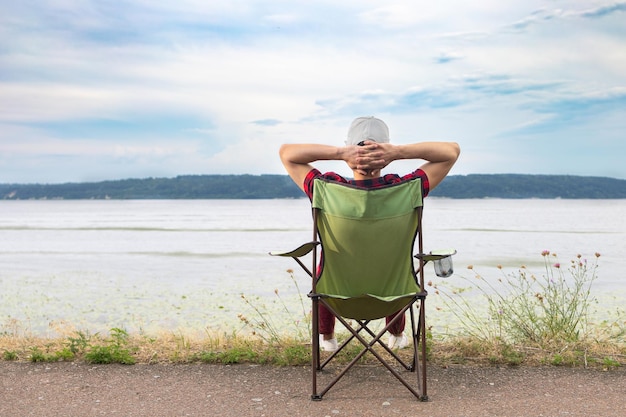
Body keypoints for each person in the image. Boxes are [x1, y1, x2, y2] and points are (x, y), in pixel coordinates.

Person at [279, 116, 460, 351]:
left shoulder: (325, 189)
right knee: (393, 266)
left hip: (335, 298)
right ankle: (395, 334)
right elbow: (451, 152)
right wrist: (398, 152)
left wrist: (340, 153)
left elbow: (286, 153)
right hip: (393, 297)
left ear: (349, 150)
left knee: (324, 270)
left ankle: (327, 338)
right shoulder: (406, 188)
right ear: (386, 153)